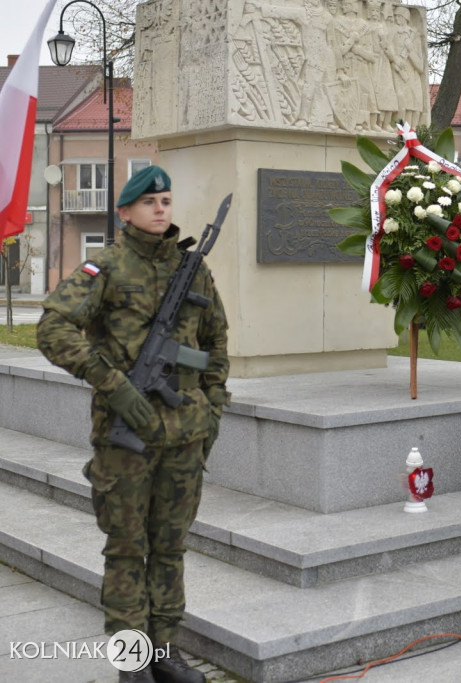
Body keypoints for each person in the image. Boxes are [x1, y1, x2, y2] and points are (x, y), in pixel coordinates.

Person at [36, 166, 230, 683]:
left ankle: (165, 650)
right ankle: (131, 662)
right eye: (149, 202)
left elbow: (215, 345)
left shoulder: (194, 270)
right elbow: (52, 328)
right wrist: (115, 384)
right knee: (126, 551)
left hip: (185, 436)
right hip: (126, 438)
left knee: (169, 549)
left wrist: (213, 408)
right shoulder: (107, 268)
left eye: (166, 200)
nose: (161, 209)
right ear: (125, 212)